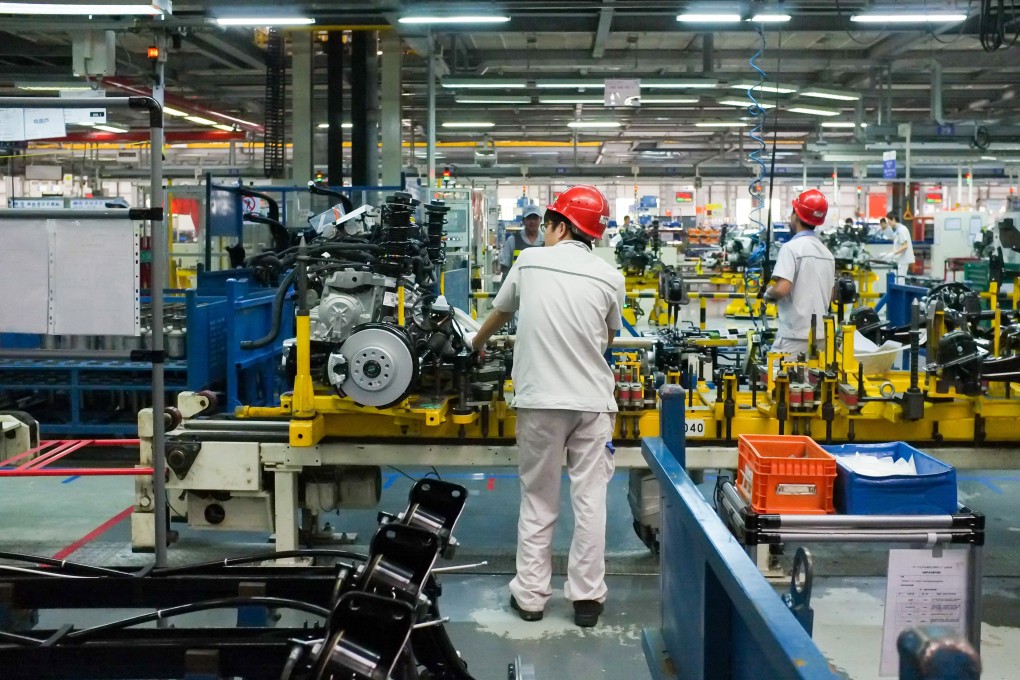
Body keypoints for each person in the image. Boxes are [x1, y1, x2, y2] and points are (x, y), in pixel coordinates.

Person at [469, 185, 625, 628]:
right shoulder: (609, 276)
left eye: (548, 224)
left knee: (539, 498)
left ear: (559, 226)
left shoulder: (529, 261)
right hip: (593, 401)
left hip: (540, 400)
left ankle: (533, 598)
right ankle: (587, 600)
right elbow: (608, 336)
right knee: (591, 499)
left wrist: (476, 344)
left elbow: (499, 314)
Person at [764, 189, 836, 356]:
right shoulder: (827, 253)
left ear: (795, 214)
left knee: (778, 379)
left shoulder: (791, 248)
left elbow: (782, 288)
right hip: (820, 337)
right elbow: (831, 294)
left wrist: (768, 293)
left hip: (794, 336)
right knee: (813, 381)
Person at [499, 204, 543, 276]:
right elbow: (505, 268)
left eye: (535, 218)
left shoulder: (547, 241)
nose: (532, 221)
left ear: (540, 219)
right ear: (523, 220)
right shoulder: (512, 241)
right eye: (529, 218)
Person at [879, 211, 915, 278]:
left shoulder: (902, 230)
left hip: (902, 261)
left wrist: (893, 253)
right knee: (896, 280)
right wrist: (887, 253)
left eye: (888, 221)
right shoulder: (898, 230)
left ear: (893, 219)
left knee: (900, 281)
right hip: (899, 260)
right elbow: (897, 241)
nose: (888, 223)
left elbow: (905, 246)